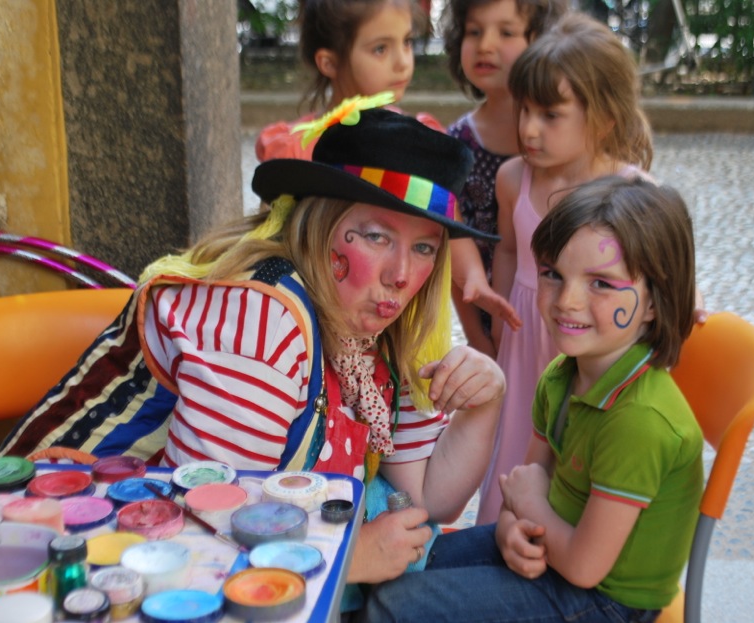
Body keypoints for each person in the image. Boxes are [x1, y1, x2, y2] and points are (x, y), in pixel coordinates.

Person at [0, 104, 506, 604]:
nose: (401, 274)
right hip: (63, 551)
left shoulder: (378, 323)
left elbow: (425, 500)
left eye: (425, 248)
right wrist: (346, 555)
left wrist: (486, 401)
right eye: (376, 236)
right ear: (319, 222)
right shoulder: (264, 320)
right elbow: (201, 529)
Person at [358, 175, 704, 623]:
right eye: (553, 275)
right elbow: (527, 486)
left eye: (600, 283)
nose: (568, 301)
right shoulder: (562, 376)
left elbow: (582, 564)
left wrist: (531, 506)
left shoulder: (640, 419)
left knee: (394, 606)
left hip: (609, 601)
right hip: (554, 552)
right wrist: (508, 532)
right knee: (403, 565)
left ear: (655, 302)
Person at [476, 12, 655, 522]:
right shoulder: (514, 179)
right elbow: (510, 248)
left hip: (591, 348)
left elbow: (661, 271)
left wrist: (690, 298)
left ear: (603, 119)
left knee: (576, 463)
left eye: (550, 115)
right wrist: (500, 317)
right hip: (527, 340)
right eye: (524, 110)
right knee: (513, 454)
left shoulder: (635, 192)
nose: (528, 129)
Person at [444, 0, 567, 359]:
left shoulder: (565, 141)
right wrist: (477, 339)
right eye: (474, 31)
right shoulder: (455, 146)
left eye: (507, 32)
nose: (486, 45)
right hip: (493, 337)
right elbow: (450, 249)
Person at [255, 0, 443, 162]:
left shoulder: (419, 140)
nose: (403, 63)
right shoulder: (296, 153)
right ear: (330, 63)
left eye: (407, 42)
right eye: (380, 49)